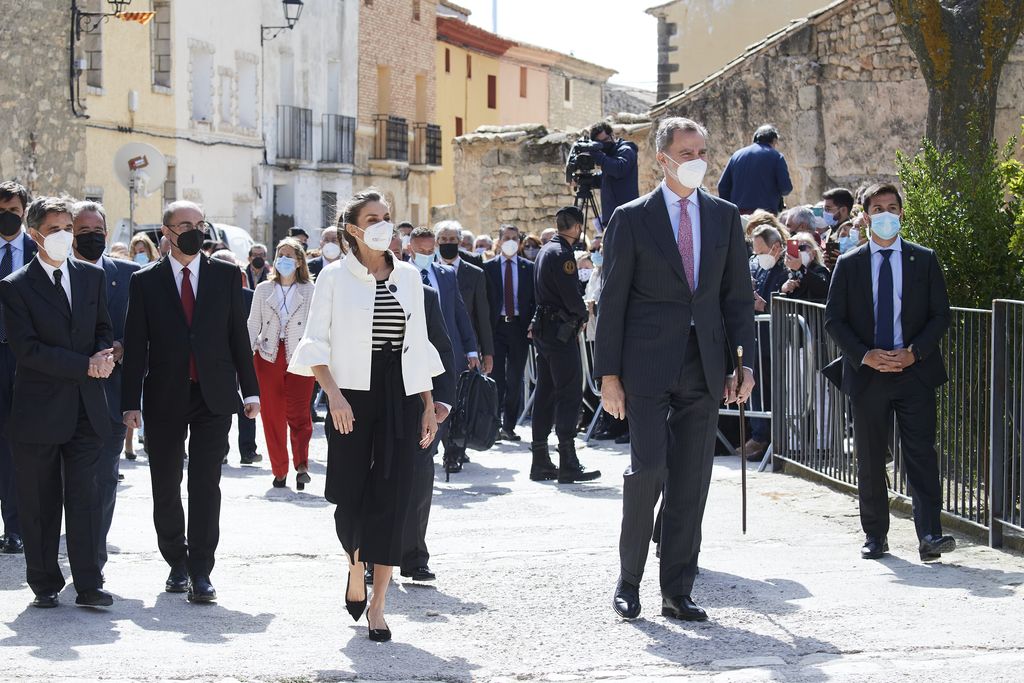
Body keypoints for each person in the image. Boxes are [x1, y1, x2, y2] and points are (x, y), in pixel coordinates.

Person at [596, 117, 755, 622]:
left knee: (692, 479)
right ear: (662, 158)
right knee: (649, 471)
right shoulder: (632, 217)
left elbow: (735, 298)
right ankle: (629, 579)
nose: (697, 161)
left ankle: (678, 588)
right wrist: (609, 376)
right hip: (645, 366)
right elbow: (613, 300)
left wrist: (741, 363)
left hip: (704, 366)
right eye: (687, 152)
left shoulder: (725, 216)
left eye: (703, 151)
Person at [288, 189, 442, 643]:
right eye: (372, 217)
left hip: (401, 392)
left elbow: (420, 343)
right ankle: (356, 565)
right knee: (349, 492)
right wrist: (333, 395)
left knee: (393, 496)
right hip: (351, 392)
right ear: (353, 228)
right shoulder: (333, 277)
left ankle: (378, 606)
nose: (382, 224)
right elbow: (315, 343)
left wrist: (429, 404)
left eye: (387, 217)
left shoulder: (410, 277)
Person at [121, 200, 260, 604]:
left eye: (200, 223)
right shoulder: (145, 280)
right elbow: (135, 343)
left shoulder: (226, 275)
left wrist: (250, 391)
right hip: (165, 396)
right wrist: (131, 402)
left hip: (213, 395)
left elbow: (238, 336)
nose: (194, 230)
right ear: (166, 233)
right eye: (185, 224)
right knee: (165, 484)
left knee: (205, 485)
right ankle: (176, 564)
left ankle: (201, 571)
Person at [824, 182, 956, 562]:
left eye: (892, 207)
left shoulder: (923, 259)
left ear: (902, 212)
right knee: (869, 457)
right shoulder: (850, 265)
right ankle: (875, 536)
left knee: (921, 455)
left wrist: (915, 353)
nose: (886, 214)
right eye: (877, 208)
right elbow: (835, 320)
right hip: (868, 375)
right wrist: (865, 356)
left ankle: (930, 534)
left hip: (914, 373)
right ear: (865, 216)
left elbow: (940, 314)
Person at [0, 196, 115, 608]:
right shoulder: (14, 287)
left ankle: (89, 583)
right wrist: (85, 364)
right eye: (55, 229)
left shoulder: (91, 278)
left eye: (68, 227)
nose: (65, 236)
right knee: (40, 501)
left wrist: (104, 354)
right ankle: (45, 582)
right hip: (38, 411)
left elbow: (103, 328)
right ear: (34, 235)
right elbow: (28, 350)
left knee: (85, 499)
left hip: (86, 408)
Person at [70, 200, 140, 573]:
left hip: (111, 396)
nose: (93, 238)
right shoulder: (54, 274)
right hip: (62, 396)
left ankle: (93, 559)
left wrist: (122, 348)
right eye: (84, 233)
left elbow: (146, 333)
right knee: (66, 483)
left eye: (98, 232)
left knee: (102, 480)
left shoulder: (131, 276)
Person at [387, 234, 457, 583]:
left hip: (419, 401)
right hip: (373, 402)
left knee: (417, 477)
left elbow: (443, 349)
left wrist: (442, 402)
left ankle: (415, 557)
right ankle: (374, 556)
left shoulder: (426, 296)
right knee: (378, 479)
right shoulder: (354, 295)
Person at [531, 206, 601, 484]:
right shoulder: (563, 254)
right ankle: (567, 460)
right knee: (569, 393)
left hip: (545, 330)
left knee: (546, 392)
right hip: (559, 332)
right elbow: (570, 295)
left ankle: (540, 459)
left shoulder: (546, 250)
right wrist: (582, 314)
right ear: (576, 228)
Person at [408, 227, 479, 469]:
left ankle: (449, 454)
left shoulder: (446, 274)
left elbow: (460, 313)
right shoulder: (402, 274)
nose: (426, 254)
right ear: (411, 249)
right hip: (412, 351)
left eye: (430, 250)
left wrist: (471, 349)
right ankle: (422, 450)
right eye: (421, 250)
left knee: (445, 400)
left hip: (444, 349)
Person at [247, 238, 316, 489]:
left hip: (300, 359)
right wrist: (244, 358)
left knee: (299, 414)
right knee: (272, 416)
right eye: (280, 254)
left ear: (299, 261)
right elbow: (253, 324)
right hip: (268, 356)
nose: (283, 259)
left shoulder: (310, 290)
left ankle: (301, 465)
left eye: (289, 255)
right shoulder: (264, 289)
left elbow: (316, 326)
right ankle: (279, 470)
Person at [0, 181, 35, 555]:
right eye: (1, 210)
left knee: (19, 443)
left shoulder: (37, 251)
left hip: (27, 359)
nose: (7, 217)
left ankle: (16, 526)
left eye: (13, 210)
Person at [483, 224, 535, 441]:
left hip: (518, 328)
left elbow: (534, 298)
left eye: (514, 237)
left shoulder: (528, 268)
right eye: (506, 237)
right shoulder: (488, 268)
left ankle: (509, 426)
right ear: (499, 240)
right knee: (496, 379)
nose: (511, 241)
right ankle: (493, 427)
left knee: (515, 378)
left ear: (520, 241)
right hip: (496, 328)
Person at [210, 249, 262, 467]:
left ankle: (248, 450)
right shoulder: (203, 295)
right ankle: (220, 450)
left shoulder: (249, 296)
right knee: (218, 407)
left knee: (247, 405)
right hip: (215, 361)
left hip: (242, 357)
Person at [745, 225, 788, 460]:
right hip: (759, 340)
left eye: (761, 251)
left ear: (776, 248)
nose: (757, 257)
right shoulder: (759, 268)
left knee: (774, 390)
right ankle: (758, 435)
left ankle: (769, 439)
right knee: (758, 389)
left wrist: (766, 306)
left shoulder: (784, 270)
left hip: (777, 341)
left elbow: (785, 302)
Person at [435, 222, 494, 377]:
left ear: (460, 242)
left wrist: (487, 353)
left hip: (466, 347)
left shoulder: (475, 274)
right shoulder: (429, 273)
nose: (448, 243)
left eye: (452, 239)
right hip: (436, 345)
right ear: (437, 242)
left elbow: (482, 317)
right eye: (444, 239)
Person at [717, 124, 793, 215]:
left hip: (739, 215)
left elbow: (722, 186)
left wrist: (731, 209)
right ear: (774, 140)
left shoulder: (737, 155)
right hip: (765, 215)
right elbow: (786, 188)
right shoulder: (777, 157)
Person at [587, 122, 640, 228]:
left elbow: (618, 169)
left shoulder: (626, 149)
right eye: (599, 143)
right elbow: (605, 179)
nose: (603, 145)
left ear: (612, 135)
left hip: (627, 217)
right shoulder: (608, 156)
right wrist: (585, 179)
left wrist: (598, 155)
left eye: (605, 141)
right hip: (612, 218)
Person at [779, 232, 830, 303]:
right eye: (794, 248)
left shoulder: (820, 270)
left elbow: (824, 288)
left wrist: (800, 268)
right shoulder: (788, 273)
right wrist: (783, 289)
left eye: (801, 248)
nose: (798, 251)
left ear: (813, 253)